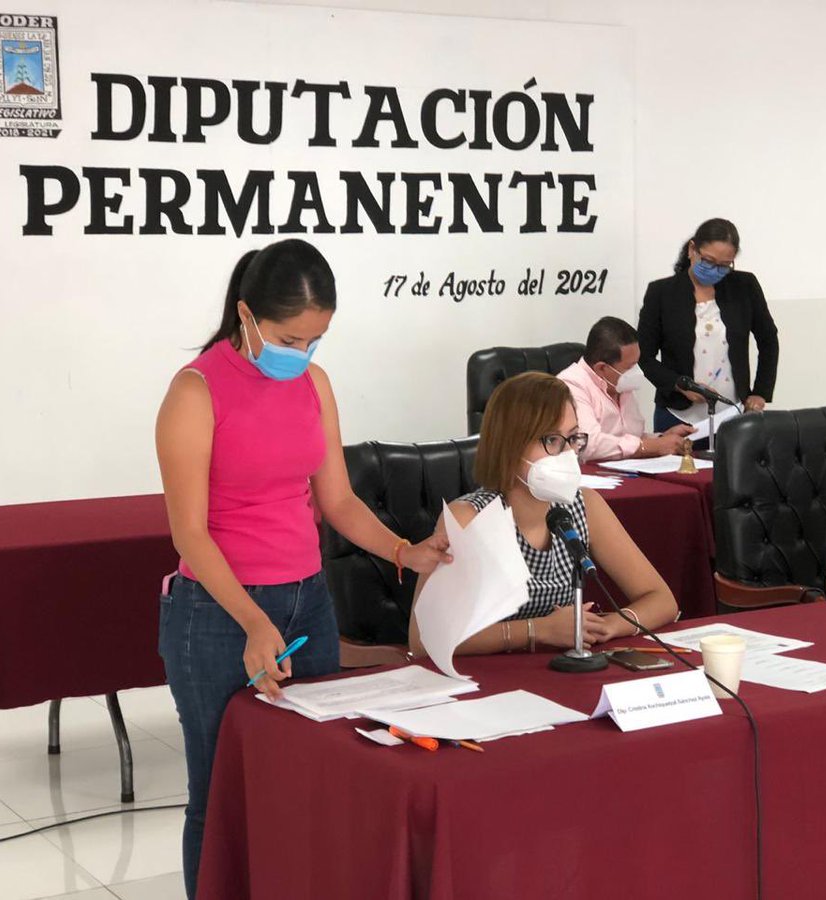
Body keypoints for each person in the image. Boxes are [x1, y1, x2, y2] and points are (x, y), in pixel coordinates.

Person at [155, 239, 450, 900]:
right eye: (292, 338)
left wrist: (405, 551)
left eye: (317, 340)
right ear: (246, 316)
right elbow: (190, 534)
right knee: (221, 792)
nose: (305, 354)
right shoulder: (195, 392)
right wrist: (255, 622)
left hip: (306, 605)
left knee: (310, 779)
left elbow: (338, 500)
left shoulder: (313, 383)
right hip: (216, 617)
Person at [408, 372, 678, 656]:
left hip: (560, 672)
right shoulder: (468, 518)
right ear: (510, 445)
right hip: (488, 681)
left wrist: (610, 625)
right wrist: (537, 630)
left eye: (573, 438)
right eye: (552, 440)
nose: (567, 454)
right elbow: (425, 639)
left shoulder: (584, 506)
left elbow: (661, 600)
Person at [637, 217, 779, 439]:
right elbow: (644, 356)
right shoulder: (662, 293)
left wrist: (761, 392)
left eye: (724, 265)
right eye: (709, 261)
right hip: (677, 414)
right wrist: (679, 385)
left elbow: (768, 339)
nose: (715, 270)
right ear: (692, 249)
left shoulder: (745, 286)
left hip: (733, 412)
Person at [557, 315, 695, 462]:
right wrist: (650, 446)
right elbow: (587, 444)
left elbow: (631, 438)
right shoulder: (571, 385)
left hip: (627, 471)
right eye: (630, 367)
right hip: (592, 477)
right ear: (602, 368)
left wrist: (662, 438)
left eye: (637, 363)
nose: (637, 372)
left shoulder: (620, 385)